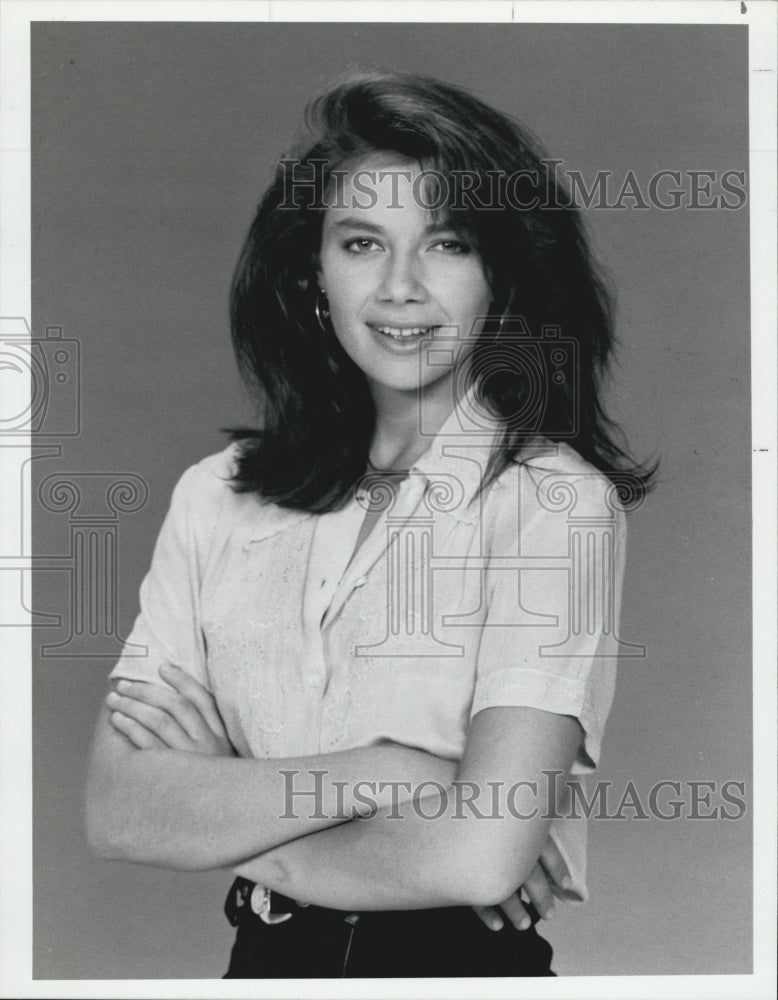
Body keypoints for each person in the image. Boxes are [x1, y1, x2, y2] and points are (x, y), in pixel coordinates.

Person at [85, 71, 654, 978]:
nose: (399, 288)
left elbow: (480, 859)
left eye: (448, 244)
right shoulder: (216, 495)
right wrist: (389, 772)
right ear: (313, 268)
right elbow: (119, 811)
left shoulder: (553, 502)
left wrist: (220, 817)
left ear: (503, 273)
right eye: (361, 242)